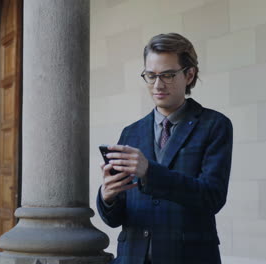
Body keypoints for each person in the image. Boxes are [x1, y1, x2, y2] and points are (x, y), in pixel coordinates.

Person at [96, 33, 233, 264]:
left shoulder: (215, 125)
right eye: (151, 75)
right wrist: (107, 197)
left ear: (189, 75)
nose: (157, 85)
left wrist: (150, 171)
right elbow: (115, 218)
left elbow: (213, 197)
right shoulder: (131, 132)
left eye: (168, 75)